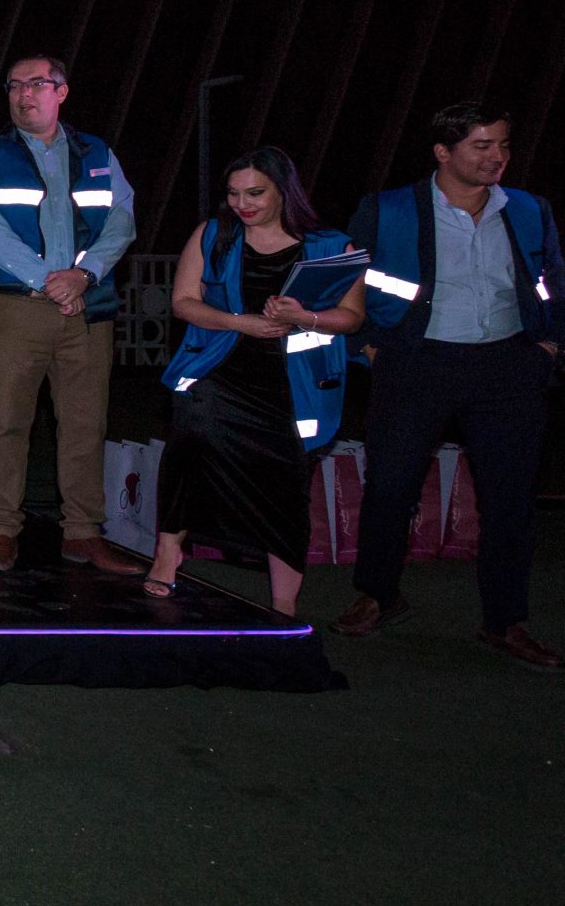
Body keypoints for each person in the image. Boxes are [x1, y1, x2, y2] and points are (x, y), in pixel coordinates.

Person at [332, 105, 561, 670]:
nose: (497, 156)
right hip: (417, 363)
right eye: (482, 145)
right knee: (390, 487)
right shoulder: (388, 209)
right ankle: (378, 595)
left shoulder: (529, 209)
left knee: (510, 499)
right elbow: (345, 282)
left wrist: (549, 349)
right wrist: (369, 349)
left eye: (503, 144)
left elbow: (553, 282)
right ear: (443, 152)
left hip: (507, 367)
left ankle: (504, 620)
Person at [0, 54, 148, 575]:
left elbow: (122, 220)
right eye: (14, 86)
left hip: (86, 308)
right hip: (14, 309)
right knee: (6, 422)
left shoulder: (97, 153)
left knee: (86, 424)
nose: (24, 94)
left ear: (61, 92)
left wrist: (84, 275)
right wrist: (52, 280)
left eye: (37, 84)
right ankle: (2, 529)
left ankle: (84, 533)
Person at [150, 148, 360, 617]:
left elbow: (352, 317)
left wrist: (305, 317)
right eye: (233, 193)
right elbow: (183, 302)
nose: (242, 204)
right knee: (190, 437)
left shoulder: (331, 246)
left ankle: (283, 603)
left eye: (255, 193)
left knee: (287, 485)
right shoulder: (213, 235)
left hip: (295, 385)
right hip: (219, 368)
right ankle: (167, 553)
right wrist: (238, 322)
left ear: (284, 191)